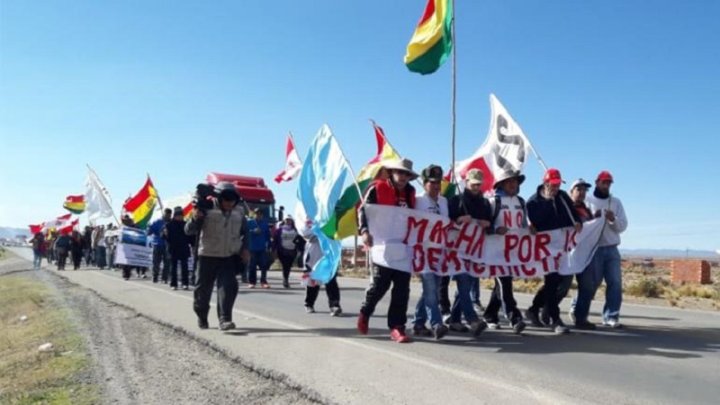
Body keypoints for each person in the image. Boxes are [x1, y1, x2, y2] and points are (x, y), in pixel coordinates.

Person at [357, 158, 418, 343]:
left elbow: (415, 218)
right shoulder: (377, 188)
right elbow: (362, 211)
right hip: (381, 246)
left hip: (402, 248)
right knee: (379, 286)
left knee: (402, 290)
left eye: (406, 174)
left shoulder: (410, 192)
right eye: (400, 172)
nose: (403, 177)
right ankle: (365, 312)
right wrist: (364, 231)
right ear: (392, 172)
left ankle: (397, 327)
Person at [526, 168, 582, 335]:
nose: (556, 189)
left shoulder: (563, 197)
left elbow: (572, 213)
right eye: (553, 185)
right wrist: (548, 202)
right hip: (544, 248)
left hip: (560, 247)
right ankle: (554, 319)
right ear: (545, 184)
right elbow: (536, 221)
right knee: (552, 281)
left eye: (558, 185)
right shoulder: (534, 202)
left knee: (555, 281)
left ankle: (534, 308)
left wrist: (577, 222)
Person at [186, 181, 249, 331]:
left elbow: (245, 232)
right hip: (207, 255)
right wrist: (196, 218)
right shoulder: (205, 208)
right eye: (226, 199)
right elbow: (188, 230)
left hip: (228, 256)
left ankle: (225, 319)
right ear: (219, 198)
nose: (229, 203)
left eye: (233, 200)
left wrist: (245, 249)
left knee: (229, 286)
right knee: (202, 292)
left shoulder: (239, 212)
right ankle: (202, 316)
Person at [572, 171, 628, 329]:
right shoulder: (588, 200)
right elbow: (583, 220)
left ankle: (611, 316)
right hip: (594, 248)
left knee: (615, 282)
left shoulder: (615, 202)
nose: (606, 185)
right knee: (591, 284)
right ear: (597, 183)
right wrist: (594, 218)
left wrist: (612, 219)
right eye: (603, 182)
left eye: (609, 183)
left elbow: (622, 226)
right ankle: (577, 307)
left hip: (611, 248)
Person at [481, 170, 528, 334]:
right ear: (501, 183)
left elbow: (523, 226)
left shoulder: (521, 202)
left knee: (501, 285)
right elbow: (483, 226)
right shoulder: (493, 201)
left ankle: (490, 315)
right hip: (495, 251)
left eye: (515, 181)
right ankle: (514, 318)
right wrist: (495, 229)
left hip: (513, 251)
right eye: (509, 181)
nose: (513, 184)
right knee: (505, 284)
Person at [446, 168, 490, 337]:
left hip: (475, 251)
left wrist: (487, 224)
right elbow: (445, 223)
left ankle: (455, 321)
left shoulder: (485, 203)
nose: (476, 187)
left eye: (479, 184)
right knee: (463, 282)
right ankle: (473, 320)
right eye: (473, 184)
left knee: (467, 285)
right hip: (457, 251)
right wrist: (457, 220)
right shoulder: (456, 201)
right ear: (466, 183)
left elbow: (490, 223)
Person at [411, 164, 450, 340]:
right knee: (431, 289)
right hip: (422, 253)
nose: (436, 186)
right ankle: (437, 324)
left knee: (430, 290)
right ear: (425, 183)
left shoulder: (444, 202)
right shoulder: (417, 202)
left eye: (438, 182)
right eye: (432, 182)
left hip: (439, 253)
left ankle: (418, 324)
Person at [554, 179, 595, 328]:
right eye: (578, 189)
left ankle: (581, 318)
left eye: (584, 190)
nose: (582, 193)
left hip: (583, 256)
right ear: (571, 192)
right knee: (563, 287)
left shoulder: (587, 210)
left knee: (587, 287)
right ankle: (549, 311)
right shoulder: (565, 208)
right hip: (568, 255)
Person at [301, 220, 342, 316]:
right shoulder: (310, 221)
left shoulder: (330, 220)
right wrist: (319, 232)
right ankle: (309, 304)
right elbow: (306, 235)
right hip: (314, 255)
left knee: (331, 281)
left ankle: (334, 305)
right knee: (313, 282)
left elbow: (338, 235)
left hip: (328, 256)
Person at [165, 206, 193, 290]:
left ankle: (185, 283)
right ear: (175, 216)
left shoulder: (186, 224)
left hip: (184, 248)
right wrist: (164, 234)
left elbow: (190, 236)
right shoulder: (169, 225)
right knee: (173, 267)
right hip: (173, 248)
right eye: (178, 215)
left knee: (185, 267)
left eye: (181, 215)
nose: (180, 217)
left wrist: (192, 243)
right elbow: (164, 236)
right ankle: (174, 284)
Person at [273, 216, 302, 288]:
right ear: (284, 221)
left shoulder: (296, 230)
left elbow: (300, 239)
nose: (288, 221)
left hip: (292, 251)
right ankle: (285, 280)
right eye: (287, 220)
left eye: (289, 220)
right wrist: (274, 250)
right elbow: (275, 240)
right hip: (282, 251)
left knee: (288, 266)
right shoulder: (279, 230)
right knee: (285, 265)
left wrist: (299, 248)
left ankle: (286, 279)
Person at [246, 208, 272, 288]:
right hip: (252, 247)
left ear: (262, 215)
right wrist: (253, 231)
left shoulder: (265, 224)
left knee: (264, 266)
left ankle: (263, 282)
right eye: (257, 213)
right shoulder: (250, 222)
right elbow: (244, 233)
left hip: (262, 248)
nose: (258, 215)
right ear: (254, 214)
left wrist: (269, 245)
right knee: (252, 266)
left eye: (260, 214)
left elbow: (268, 235)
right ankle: (252, 282)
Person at [148, 208, 172, 283]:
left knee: (167, 263)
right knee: (156, 262)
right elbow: (149, 231)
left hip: (167, 245)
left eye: (169, 215)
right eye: (166, 215)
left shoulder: (171, 223)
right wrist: (149, 229)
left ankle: (164, 278)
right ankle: (155, 276)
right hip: (157, 244)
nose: (167, 216)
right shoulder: (157, 222)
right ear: (163, 214)